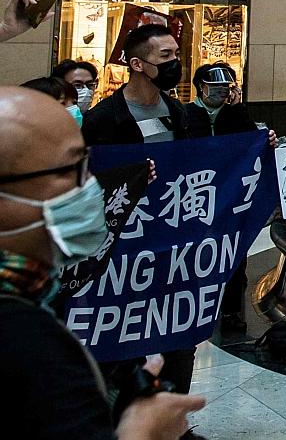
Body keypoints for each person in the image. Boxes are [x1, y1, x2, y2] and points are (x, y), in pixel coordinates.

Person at [0, 86, 207, 440]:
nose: (90, 185)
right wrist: (144, 430)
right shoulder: (23, 340)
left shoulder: (33, 301)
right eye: (71, 170)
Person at [81, 25, 207, 425]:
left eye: (175, 54)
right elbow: (90, 184)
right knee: (127, 343)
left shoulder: (183, 115)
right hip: (125, 251)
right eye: (165, 57)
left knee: (179, 341)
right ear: (137, 64)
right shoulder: (104, 120)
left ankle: (170, 421)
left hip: (174, 245)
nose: (176, 63)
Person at [184, 62, 274, 333]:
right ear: (202, 87)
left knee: (234, 253)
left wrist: (240, 111)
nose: (222, 93)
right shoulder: (186, 115)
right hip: (195, 195)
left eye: (227, 87)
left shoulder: (235, 116)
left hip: (231, 195)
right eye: (216, 88)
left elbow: (252, 140)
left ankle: (233, 310)